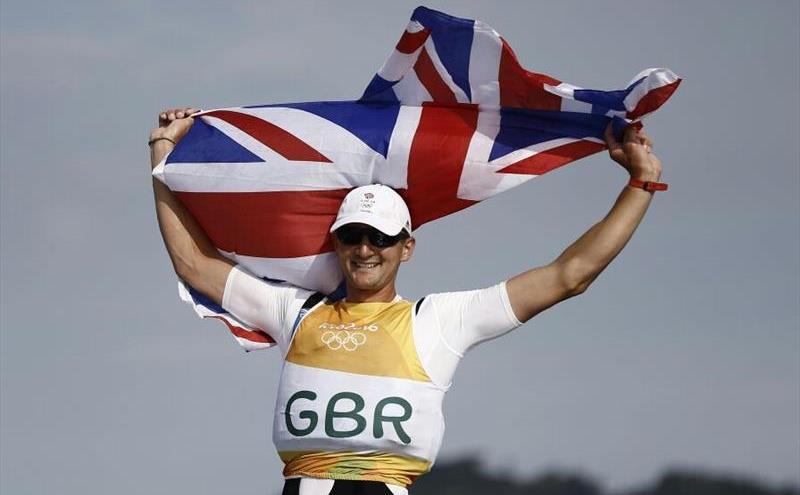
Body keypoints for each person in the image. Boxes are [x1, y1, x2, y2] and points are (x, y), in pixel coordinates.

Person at [149, 107, 665, 495]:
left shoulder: (441, 320)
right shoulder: (298, 311)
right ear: (336, 243)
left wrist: (640, 183)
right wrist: (164, 158)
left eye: (380, 238)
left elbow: (569, 276)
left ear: (406, 246)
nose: (365, 250)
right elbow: (195, 265)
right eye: (352, 236)